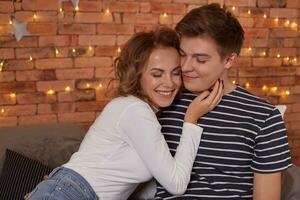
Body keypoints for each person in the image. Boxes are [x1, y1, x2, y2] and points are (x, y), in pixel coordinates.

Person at [26, 27, 223, 200]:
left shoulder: (141, 112)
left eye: (175, 73)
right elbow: (176, 184)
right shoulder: (134, 110)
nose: (169, 83)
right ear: (137, 75)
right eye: (157, 74)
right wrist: (191, 119)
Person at [155, 4, 292, 200]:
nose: (185, 67)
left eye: (200, 60)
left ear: (229, 60)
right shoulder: (163, 99)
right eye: (182, 55)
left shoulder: (264, 117)